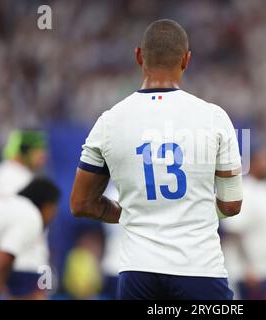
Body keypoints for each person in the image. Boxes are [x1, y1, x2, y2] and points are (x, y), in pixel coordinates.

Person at [70, 19, 243, 300]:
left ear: (139, 56)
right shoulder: (214, 118)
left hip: (138, 270)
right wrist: (190, 212)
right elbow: (232, 204)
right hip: (200, 267)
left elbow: (80, 203)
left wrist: (134, 214)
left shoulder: (109, 121)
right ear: (186, 60)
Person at [0, 129, 51, 299]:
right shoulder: (10, 175)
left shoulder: (19, 175)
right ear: (25, 150)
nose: (43, 156)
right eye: (39, 150)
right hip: (21, 261)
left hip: (30, 261)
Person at [0, 177, 61, 300]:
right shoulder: (31, 216)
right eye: (54, 210)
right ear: (47, 206)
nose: (53, 217)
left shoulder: (10, 206)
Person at [221, 146, 266, 300]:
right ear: (252, 162)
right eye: (264, 159)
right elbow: (234, 232)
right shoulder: (243, 188)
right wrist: (248, 268)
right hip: (246, 273)